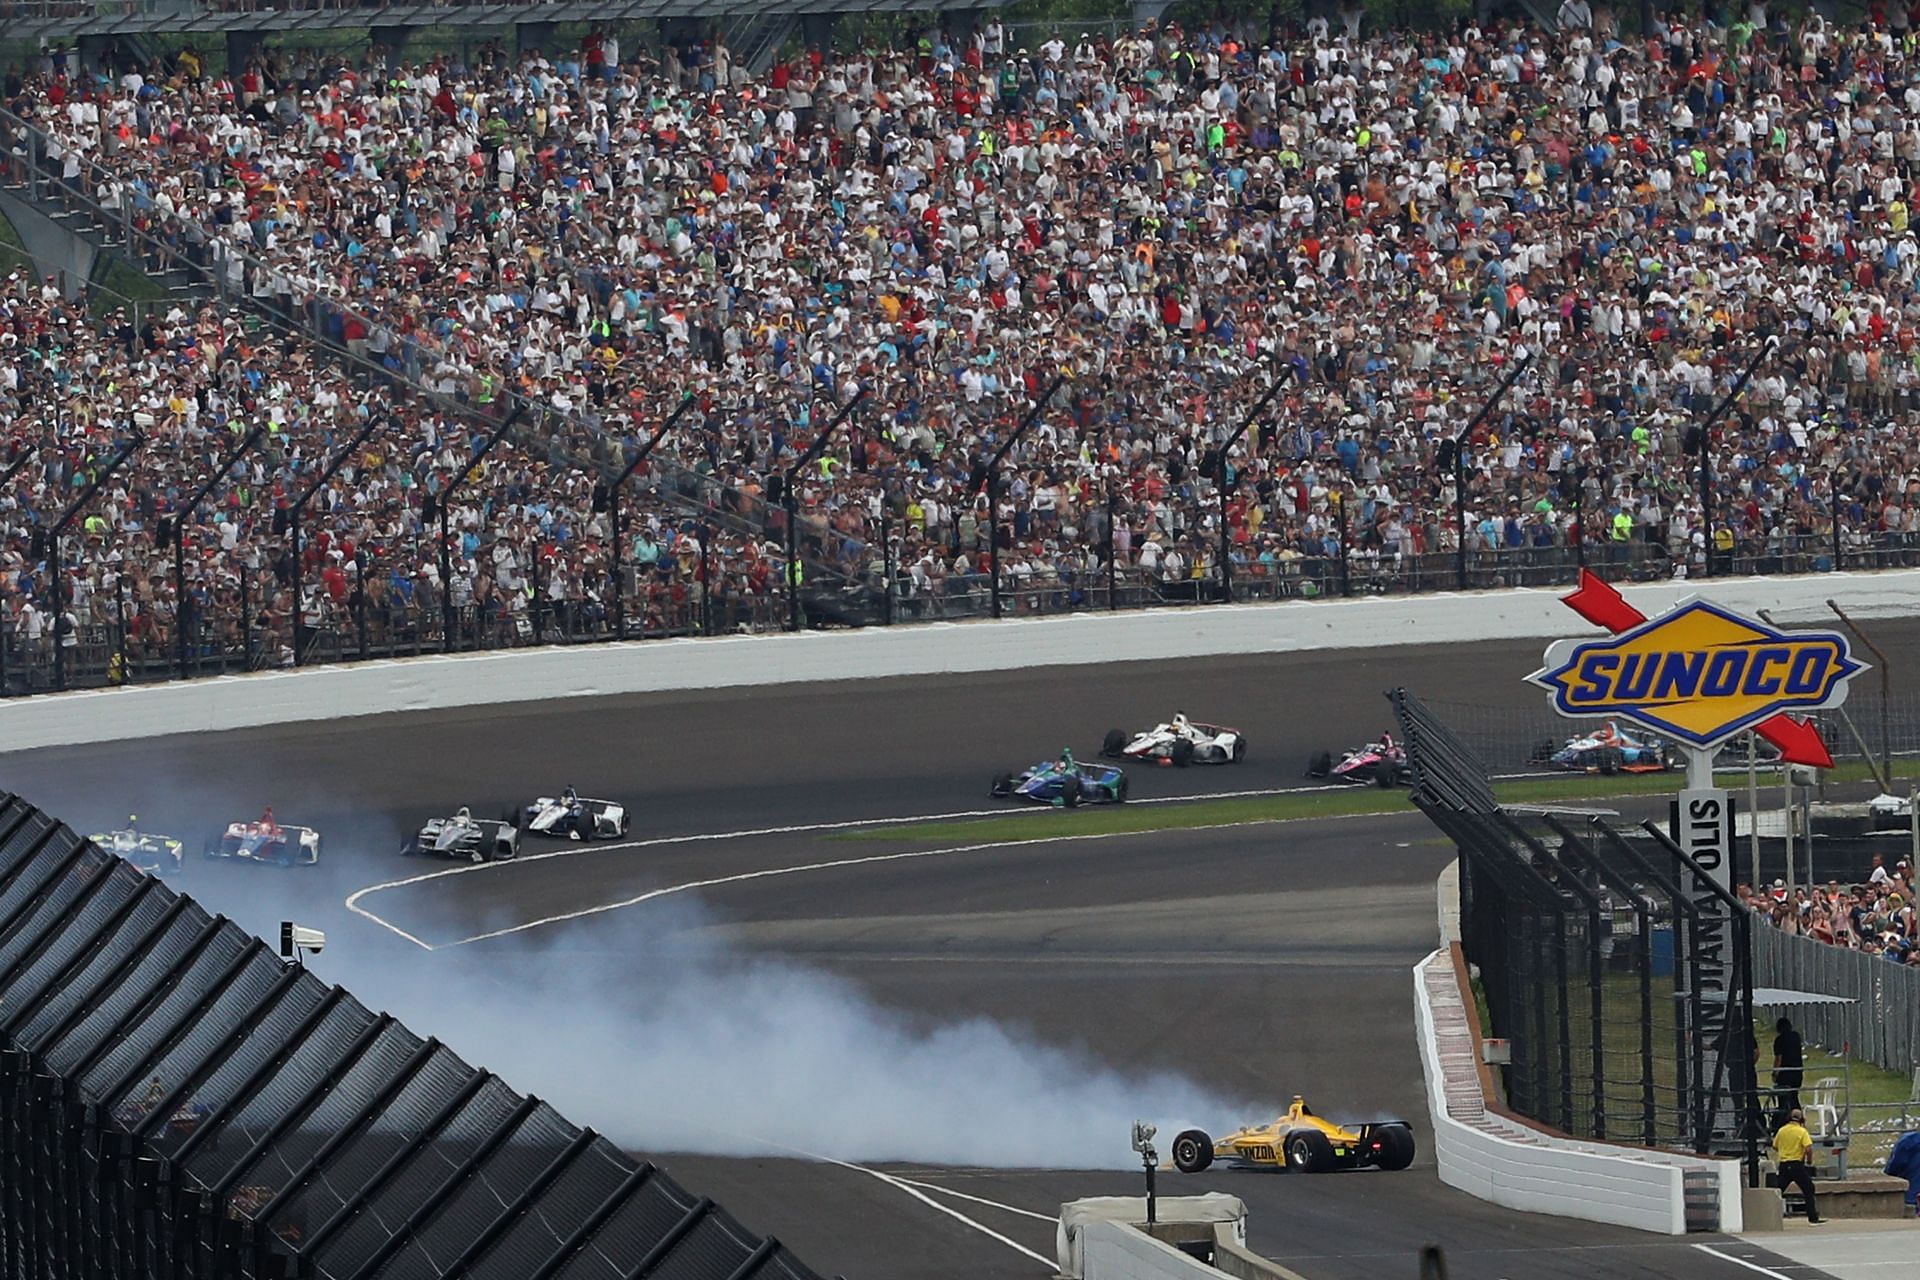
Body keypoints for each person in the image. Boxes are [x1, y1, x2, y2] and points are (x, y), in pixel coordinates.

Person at [1772, 1108, 1822, 1223]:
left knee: (1778, 1190)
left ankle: (1769, 1214)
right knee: (1808, 1189)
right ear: (1802, 1119)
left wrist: (1785, 1150)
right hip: (1797, 1164)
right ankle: (1812, 1217)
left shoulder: (1782, 1131)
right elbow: (1808, 1148)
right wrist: (1809, 1161)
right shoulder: (1801, 1131)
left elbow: (1775, 1146)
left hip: (1784, 1164)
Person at [1773, 1017, 1804, 1116]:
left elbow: (1779, 1058)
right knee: (1794, 1097)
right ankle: (1797, 1117)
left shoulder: (1779, 1040)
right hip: (1797, 1073)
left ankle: (1784, 1120)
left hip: (1785, 1074)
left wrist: (1775, 1073)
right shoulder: (1796, 1037)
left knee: (1784, 1099)